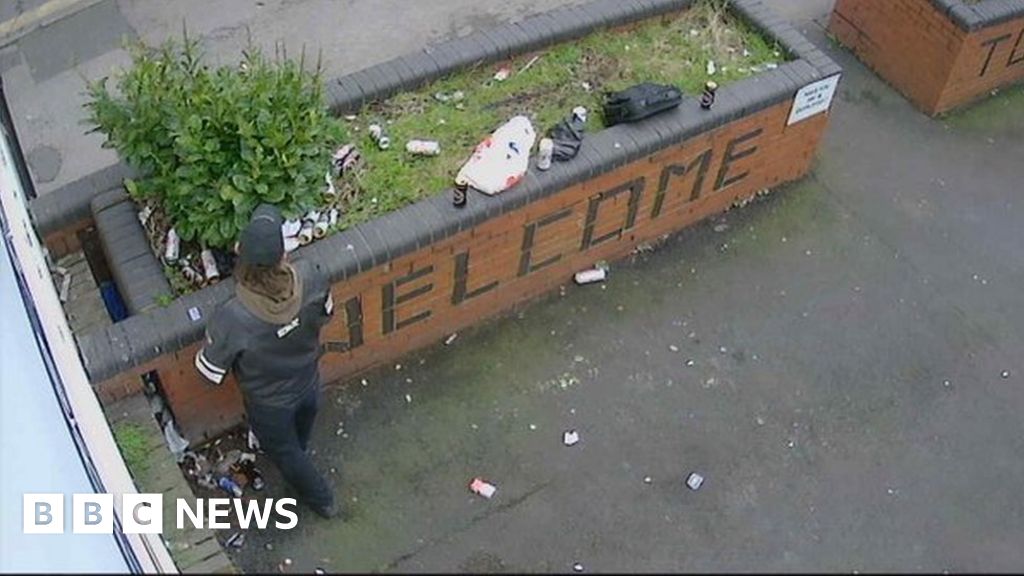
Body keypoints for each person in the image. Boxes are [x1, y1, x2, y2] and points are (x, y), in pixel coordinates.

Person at [194, 204, 338, 519]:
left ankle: (322, 499)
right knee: (301, 433)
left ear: (240, 256)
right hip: (309, 381)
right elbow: (328, 313)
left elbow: (208, 373)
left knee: (284, 452)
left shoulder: (232, 317)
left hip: (270, 404)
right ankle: (301, 452)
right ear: (282, 255)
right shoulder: (311, 275)